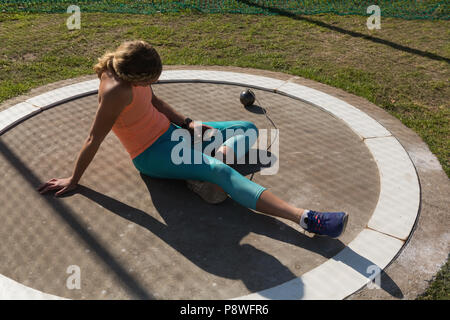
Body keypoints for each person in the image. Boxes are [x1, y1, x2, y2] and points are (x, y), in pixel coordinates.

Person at [37, 40, 348, 238]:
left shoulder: (127, 69)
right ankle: (306, 219)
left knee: (247, 129)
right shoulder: (116, 91)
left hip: (173, 134)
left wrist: (189, 123)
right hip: (151, 153)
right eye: (151, 79)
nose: (154, 83)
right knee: (221, 172)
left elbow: (155, 104)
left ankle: (204, 174)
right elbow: (94, 138)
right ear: (135, 76)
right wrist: (74, 179)